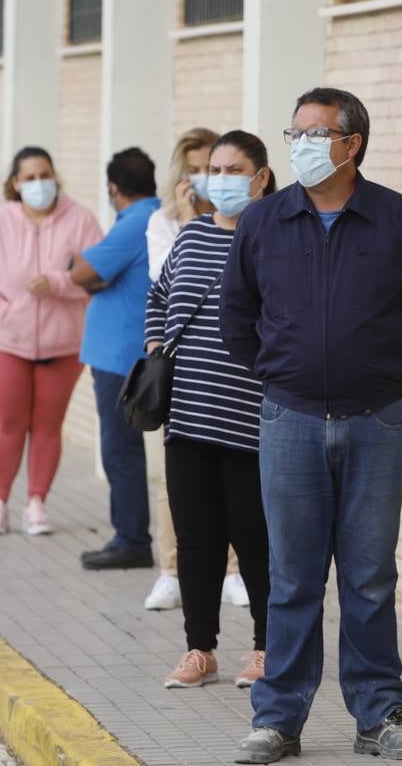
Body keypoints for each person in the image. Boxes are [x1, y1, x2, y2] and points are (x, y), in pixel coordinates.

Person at [222, 88, 402, 764]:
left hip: (376, 422)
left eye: (315, 133)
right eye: (295, 133)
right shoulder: (263, 223)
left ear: (353, 144)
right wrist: (283, 375)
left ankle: (379, 715)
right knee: (291, 577)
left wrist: (384, 376)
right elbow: (237, 316)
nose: (301, 145)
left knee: (370, 575)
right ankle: (278, 720)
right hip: (288, 421)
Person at [146, 130, 277, 691]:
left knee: (256, 541)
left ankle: (268, 649)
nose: (218, 180)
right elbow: (157, 298)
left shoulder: (273, 241)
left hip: (252, 421)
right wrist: (155, 347)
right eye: (213, 170)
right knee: (197, 542)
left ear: (260, 178)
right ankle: (200, 649)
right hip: (188, 418)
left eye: (232, 169)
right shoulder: (192, 235)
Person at [0, 146, 102, 536]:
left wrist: (57, 284)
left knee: (48, 425)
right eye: (30, 178)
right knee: (9, 423)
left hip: (63, 345)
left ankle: (37, 503)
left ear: (56, 178)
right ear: (15, 184)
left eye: (45, 175)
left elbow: (97, 278)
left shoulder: (81, 220)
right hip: (6, 342)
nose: (39, 184)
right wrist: (4, 311)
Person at [143, 127, 250, 612]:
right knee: (178, 490)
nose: (211, 179)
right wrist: (191, 219)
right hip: (185, 389)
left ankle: (234, 571)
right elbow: (163, 286)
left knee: (238, 493)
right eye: (202, 170)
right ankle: (172, 572)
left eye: (224, 169)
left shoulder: (258, 230)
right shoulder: (167, 223)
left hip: (240, 393)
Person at [70, 147, 162, 570]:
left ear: (113, 187)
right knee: (125, 449)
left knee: (120, 451)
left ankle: (131, 540)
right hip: (127, 356)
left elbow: (82, 273)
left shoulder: (136, 223)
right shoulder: (152, 217)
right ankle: (131, 535)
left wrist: (83, 270)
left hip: (120, 361)